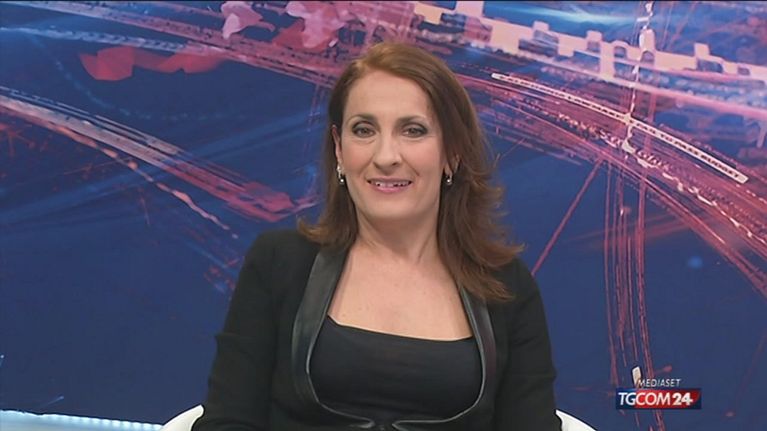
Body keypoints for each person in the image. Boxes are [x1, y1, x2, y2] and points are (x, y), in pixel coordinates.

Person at [192, 42, 560, 431]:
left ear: (452, 152)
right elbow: (227, 422)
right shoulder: (278, 263)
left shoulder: (507, 287)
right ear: (339, 149)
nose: (385, 157)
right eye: (364, 130)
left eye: (413, 131)